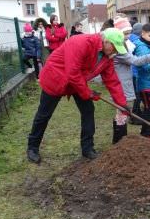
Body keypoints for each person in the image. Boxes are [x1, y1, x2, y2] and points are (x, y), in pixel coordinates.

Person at [26, 28, 128, 164]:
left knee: (88, 110)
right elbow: (72, 72)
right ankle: (32, 147)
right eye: (115, 48)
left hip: (77, 82)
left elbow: (112, 80)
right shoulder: (81, 43)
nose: (115, 52)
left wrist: (122, 104)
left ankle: (87, 148)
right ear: (107, 42)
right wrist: (88, 93)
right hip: (55, 78)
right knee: (44, 114)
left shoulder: (106, 57)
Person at [112, 16, 150, 143]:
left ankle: (122, 141)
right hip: (141, 84)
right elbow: (141, 63)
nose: (128, 36)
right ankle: (140, 135)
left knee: (126, 113)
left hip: (138, 83)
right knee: (148, 110)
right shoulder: (134, 48)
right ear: (143, 34)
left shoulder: (140, 46)